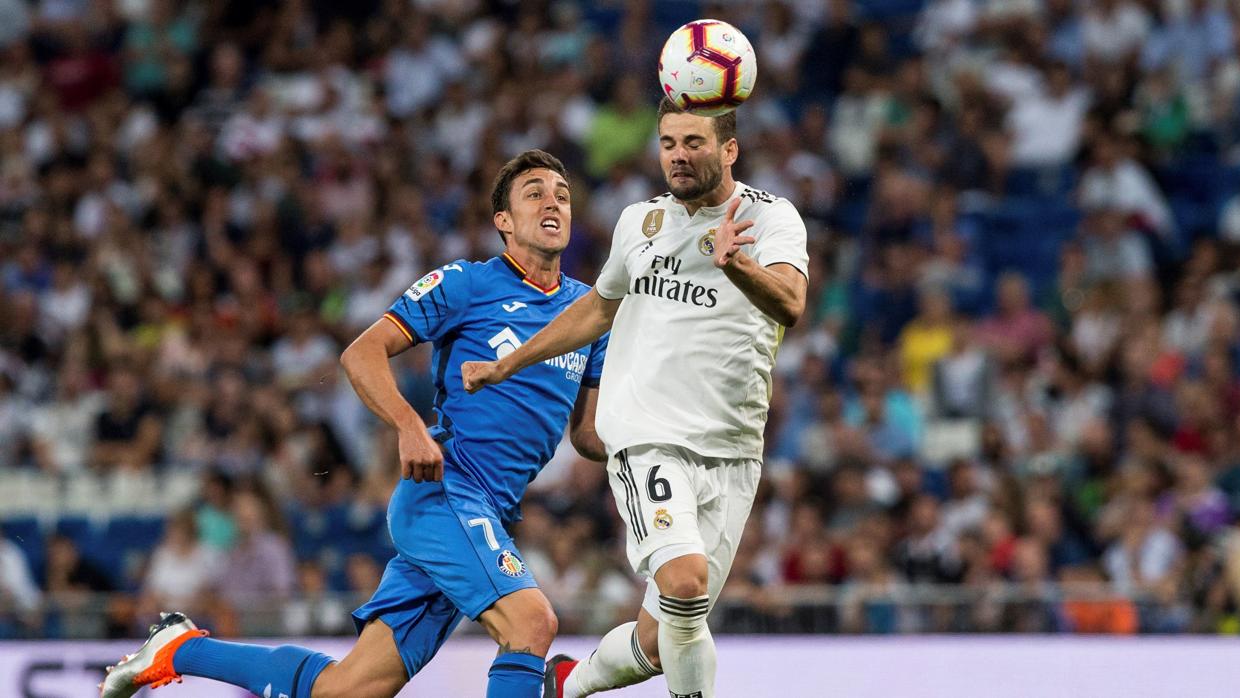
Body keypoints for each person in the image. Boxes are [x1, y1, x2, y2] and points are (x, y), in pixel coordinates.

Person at [100, 149, 610, 698]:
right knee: (531, 623)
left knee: (346, 690)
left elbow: (587, 436)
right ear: (503, 222)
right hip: (446, 494)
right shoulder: (468, 283)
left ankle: (178, 648)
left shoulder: (589, 314)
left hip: (490, 513)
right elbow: (362, 353)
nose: (552, 201)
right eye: (534, 193)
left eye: (561, 193)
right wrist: (408, 425)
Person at [464, 97, 809, 698]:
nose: (677, 155)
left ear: (729, 150)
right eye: (668, 142)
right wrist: (508, 363)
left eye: (693, 143)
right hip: (649, 437)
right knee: (683, 579)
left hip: (733, 451)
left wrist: (737, 264)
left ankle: (565, 686)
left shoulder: (773, 219)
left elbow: (791, 304)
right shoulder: (638, 223)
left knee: (659, 641)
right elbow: (598, 307)